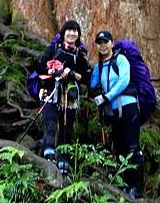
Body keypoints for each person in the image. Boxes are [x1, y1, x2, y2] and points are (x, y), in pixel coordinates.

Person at [90, 30, 144, 200]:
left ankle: (136, 187)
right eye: (100, 42)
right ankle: (125, 183)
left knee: (132, 147)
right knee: (119, 146)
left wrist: (107, 96)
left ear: (112, 43)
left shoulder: (121, 60)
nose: (103, 45)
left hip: (128, 108)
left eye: (106, 42)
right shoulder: (99, 66)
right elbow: (92, 83)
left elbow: (124, 81)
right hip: (113, 112)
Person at [36, 19, 90, 172]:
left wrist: (73, 74)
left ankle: (64, 160)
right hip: (51, 90)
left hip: (69, 95)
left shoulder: (80, 54)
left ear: (78, 35)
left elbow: (86, 77)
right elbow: (39, 66)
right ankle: (49, 156)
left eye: (75, 30)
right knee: (50, 121)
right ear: (63, 32)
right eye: (69, 30)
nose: (72, 33)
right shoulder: (53, 48)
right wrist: (55, 72)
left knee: (67, 126)